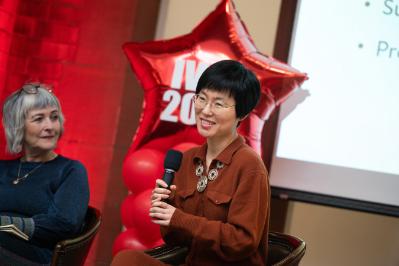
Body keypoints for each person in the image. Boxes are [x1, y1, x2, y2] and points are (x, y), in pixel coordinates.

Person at [111, 60, 270, 266]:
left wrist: (179, 218)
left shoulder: (250, 166)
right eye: (202, 99)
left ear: (242, 114)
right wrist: (166, 208)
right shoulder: (188, 159)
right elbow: (176, 240)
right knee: (127, 260)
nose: (205, 110)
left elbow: (242, 241)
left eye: (219, 104)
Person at [0, 83, 90, 265]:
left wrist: (3, 223)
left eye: (54, 117)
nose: (50, 126)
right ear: (18, 126)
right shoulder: (3, 169)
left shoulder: (71, 170)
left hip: (36, 257)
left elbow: (63, 224)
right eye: (39, 119)